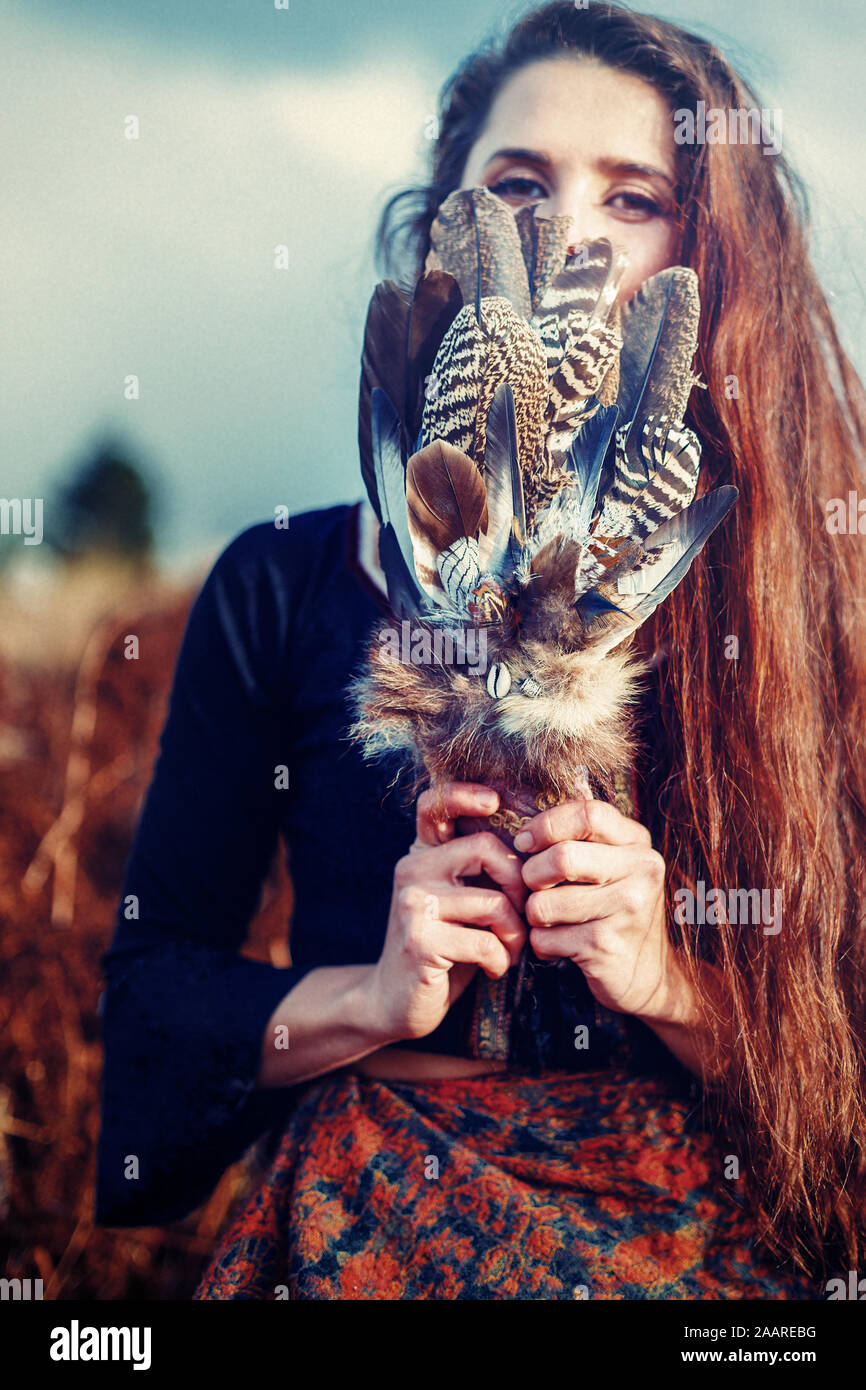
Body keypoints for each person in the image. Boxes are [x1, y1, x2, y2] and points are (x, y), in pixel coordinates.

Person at [95, 1, 866, 1300]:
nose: (565, 230)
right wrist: (368, 996)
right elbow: (152, 998)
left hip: (691, 1251)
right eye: (518, 181)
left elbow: (839, 1074)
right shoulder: (282, 584)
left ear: (708, 247)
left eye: (634, 198)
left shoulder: (793, 602)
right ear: (447, 214)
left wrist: (670, 975)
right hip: (363, 1224)